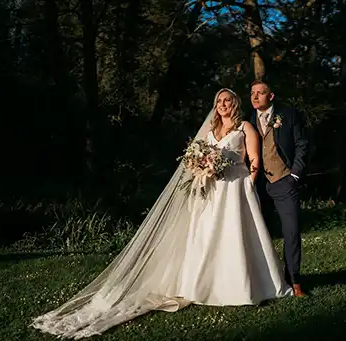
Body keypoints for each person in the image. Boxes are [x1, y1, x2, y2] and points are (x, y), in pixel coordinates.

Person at [30, 88, 292, 339]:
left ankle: (244, 285)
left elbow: (254, 159)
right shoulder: (211, 129)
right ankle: (203, 282)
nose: (223, 104)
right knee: (207, 234)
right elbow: (198, 157)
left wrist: (249, 182)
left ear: (235, 103)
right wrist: (203, 167)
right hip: (212, 188)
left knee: (236, 234)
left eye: (227, 100)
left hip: (236, 186)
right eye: (219, 101)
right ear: (216, 105)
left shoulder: (244, 127)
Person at [249, 80, 308, 297]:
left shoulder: (288, 114)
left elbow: (302, 143)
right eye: (253, 93)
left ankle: (295, 282)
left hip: (285, 181)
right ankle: (265, 282)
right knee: (259, 234)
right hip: (259, 185)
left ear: (271, 96)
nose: (255, 97)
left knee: (291, 232)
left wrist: (295, 174)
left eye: (260, 93)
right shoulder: (248, 120)